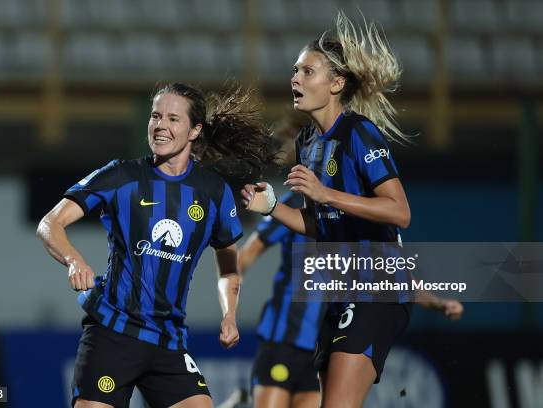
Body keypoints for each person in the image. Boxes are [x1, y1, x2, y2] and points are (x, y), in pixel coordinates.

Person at [37, 82, 274, 408]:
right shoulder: (122, 177)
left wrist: (230, 313)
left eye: (173, 119)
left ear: (194, 130)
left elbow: (227, 259)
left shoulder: (213, 192)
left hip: (168, 341)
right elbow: (50, 223)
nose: (160, 125)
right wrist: (74, 260)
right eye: (155, 116)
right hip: (112, 334)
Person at [240, 12, 428, 408]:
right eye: (294, 70)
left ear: (337, 83)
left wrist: (327, 195)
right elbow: (317, 224)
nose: (295, 78)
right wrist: (271, 206)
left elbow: (399, 212)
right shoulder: (307, 141)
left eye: (308, 71)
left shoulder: (360, 133)